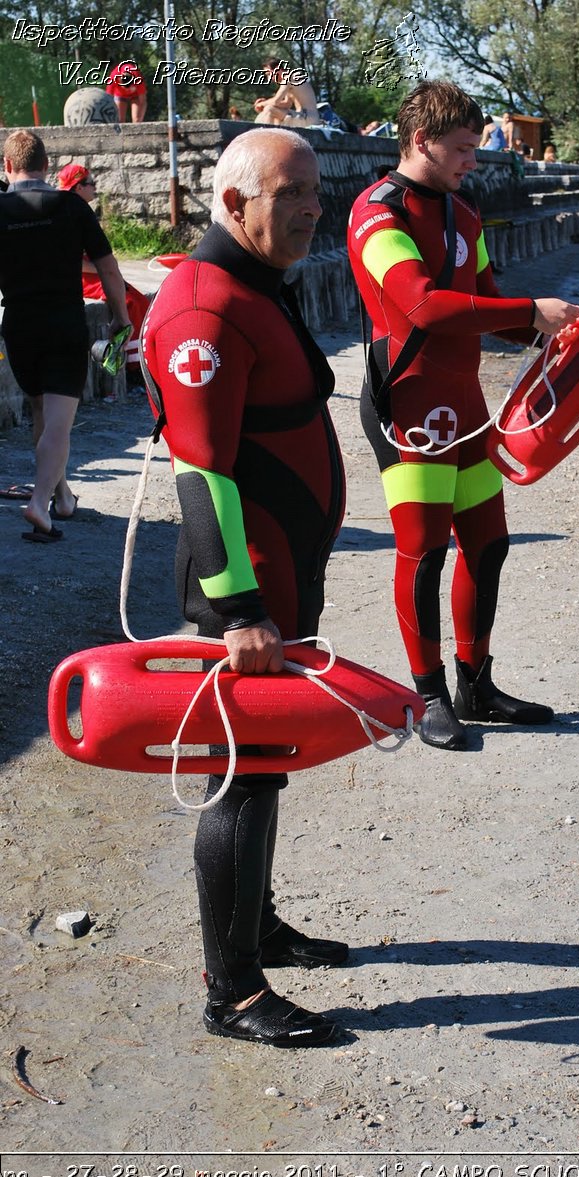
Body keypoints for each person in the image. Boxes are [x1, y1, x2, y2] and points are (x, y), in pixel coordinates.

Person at [141, 128, 348, 1048]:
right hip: (244, 590)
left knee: (269, 768)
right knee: (240, 778)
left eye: (315, 189)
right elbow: (202, 477)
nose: (313, 206)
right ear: (233, 203)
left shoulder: (255, 281)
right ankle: (232, 992)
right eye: (291, 192)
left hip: (282, 576)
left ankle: (255, 927)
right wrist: (241, 612)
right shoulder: (203, 307)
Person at [347, 81, 579, 751]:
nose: (470, 162)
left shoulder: (465, 216)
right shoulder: (376, 214)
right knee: (423, 556)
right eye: (460, 149)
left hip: (465, 407)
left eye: (473, 150)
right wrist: (525, 312)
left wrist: (562, 334)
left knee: (488, 545)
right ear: (420, 141)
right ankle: (428, 698)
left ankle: (476, 684)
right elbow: (421, 305)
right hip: (408, 406)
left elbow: (490, 308)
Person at [0, 130, 129, 541]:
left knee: (42, 410)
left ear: (7, 166)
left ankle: (63, 497)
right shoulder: (71, 205)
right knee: (59, 421)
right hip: (64, 323)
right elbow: (109, 269)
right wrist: (120, 318)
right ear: (47, 165)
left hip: (19, 325)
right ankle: (40, 503)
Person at [57, 163, 150, 387]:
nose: (95, 188)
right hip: (82, 277)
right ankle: (132, 367)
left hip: (90, 273)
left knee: (138, 300)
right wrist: (103, 270)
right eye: (91, 184)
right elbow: (73, 261)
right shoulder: (70, 210)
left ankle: (135, 363)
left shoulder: (68, 208)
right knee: (132, 302)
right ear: (78, 187)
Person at [254, 59, 318, 128]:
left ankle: (265, 136)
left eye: (269, 74)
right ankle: (273, 134)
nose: (270, 78)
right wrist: (264, 104)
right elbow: (287, 104)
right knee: (271, 110)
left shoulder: (289, 77)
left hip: (307, 118)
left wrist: (261, 104)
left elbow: (276, 101)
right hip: (304, 117)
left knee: (269, 109)